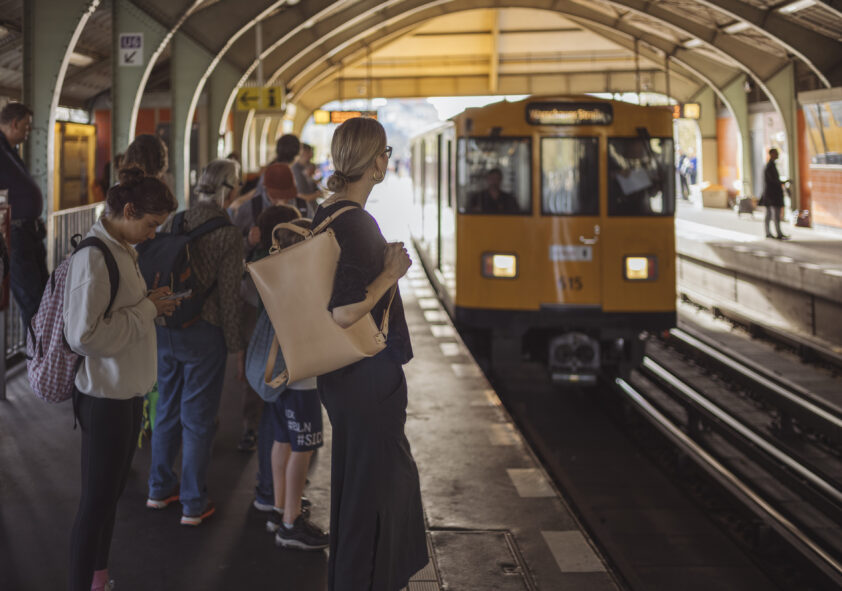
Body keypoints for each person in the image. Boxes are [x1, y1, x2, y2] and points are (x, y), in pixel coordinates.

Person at [312, 117, 427, 590]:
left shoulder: (327, 212)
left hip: (344, 375)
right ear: (373, 162)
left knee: (359, 486)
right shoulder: (357, 223)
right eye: (384, 152)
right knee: (379, 491)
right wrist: (390, 273)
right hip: (367, 377)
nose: (387, 159)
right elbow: (343, 310)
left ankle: (354, 578)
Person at [65, 167, 178, 591]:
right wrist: (147, 309)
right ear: (129, 211)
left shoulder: (121, 248)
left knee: (108, 499)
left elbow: (118, 313)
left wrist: (149, 304)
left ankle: (98, 579)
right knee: (95, 505)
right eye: (150, 224)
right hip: (105, 398)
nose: (153, 234)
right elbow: (84, 336)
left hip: (125, 394)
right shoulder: (95, 257)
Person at [146, 158, 245, 526]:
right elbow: (230, 296)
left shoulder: (176, 220)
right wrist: (236, 347)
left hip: (166, 325)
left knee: (166, 408)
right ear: (228, 189)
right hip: (205, 332)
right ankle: (192, 501)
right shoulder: (228, 233)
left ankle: (159, 488)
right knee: (198, 418)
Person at [250, 216, 329, 550]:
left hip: (281, 383)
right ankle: (291, 522)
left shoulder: (278, 277)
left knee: (281, 442)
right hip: (301, 383)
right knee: (302, 449)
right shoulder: (306, 285)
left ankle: (280, 507)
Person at [229, 161, 298, 453]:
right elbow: (234, 250)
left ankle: (287, 422)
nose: (282, 201)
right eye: (277, 195)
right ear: (265, 188)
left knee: (291, 360)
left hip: (288, 299)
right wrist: (248, 240)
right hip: (254, 298)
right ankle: (251, 426)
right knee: (256, 360)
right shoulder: (248, 208)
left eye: (286, 195)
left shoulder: (300, 207)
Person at [0, 101, 48, 329]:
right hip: (16, 234)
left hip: (28, 231)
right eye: (27, 125)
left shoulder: (9, 150)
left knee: (44, 293)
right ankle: (37, 348)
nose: (29, 130)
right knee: (32, 300)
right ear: (14, 123)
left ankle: (43, 344)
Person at [760, 148, 789, 240]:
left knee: (771, 214)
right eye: (776, 153)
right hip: (772, 194)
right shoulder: (769, 166)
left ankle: (774, 232)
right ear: (771, 154)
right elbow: (772, 181)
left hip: (771, 194)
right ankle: (772, 232)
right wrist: (782, 182)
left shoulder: (772, 165)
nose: (777, 155)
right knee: (773, 214)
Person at [291, 142, 322, 217]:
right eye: (309, 157)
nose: (310, 161)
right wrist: (317, 194)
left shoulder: (304, 168)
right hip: (304, 211)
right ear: (303, 153)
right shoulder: (296, 170)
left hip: (311, 209)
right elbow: (300, 196)